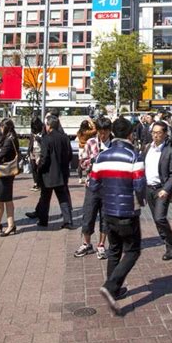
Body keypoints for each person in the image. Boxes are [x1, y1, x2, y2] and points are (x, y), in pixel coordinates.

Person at [89, 116, 146, 313]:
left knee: (114, 249)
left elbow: (93, 184)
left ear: (113, 133)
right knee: (133, 250)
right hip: (127, 211)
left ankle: (114, 290)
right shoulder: (134, 156)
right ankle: (111, 286)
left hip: (108, 211)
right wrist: (143, 200)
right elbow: (139, 185)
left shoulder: (101, 156)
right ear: (130, 134)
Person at [74, 116, 113, 259]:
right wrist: (92, 160)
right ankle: (86, 243)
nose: (102, 136)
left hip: (109, 187)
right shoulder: (91, 143)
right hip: (92, 185)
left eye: (105, 132)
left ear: (109, 131)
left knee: (105, 216)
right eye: (100, 132)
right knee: (88, 214)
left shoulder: (115, 145)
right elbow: (82, 163)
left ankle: (101, 245)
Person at [143, 120, 172, 260]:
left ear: (165, 134)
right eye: (153, 132)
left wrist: (166, 189)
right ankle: (168, 243)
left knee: (160, 218)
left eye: (159, 133)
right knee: (156, 219)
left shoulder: (170, 151)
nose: (155, 136)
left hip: (161, 190)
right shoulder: (147, 148)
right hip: (148, 189)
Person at [36, 115, 73, 228]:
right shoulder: (65, 138)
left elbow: (44, 157)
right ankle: (68, 221)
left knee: (45, 198)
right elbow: (70, 155)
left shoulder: (46, 139)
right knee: (63, 198)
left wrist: (39, 167)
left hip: (48, 174)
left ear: (49, 126)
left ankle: (43, 220)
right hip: (62, 173)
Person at [76, 118, 97, 184]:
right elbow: (95, 130)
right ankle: (87, 177)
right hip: (87, 148)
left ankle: (80, 178)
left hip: (80, 148)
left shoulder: (79, 132)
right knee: (88, 163)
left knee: (80, 163)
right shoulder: (87, 132)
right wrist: (91, 122)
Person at [27, 117, 43, 191]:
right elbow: (30, 142)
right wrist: (28, 151)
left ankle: (40, 183)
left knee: (39, 168)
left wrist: (38, 139)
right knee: (33, 168)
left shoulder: (43, 130)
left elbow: (45, 141)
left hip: (39, 151)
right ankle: (35, 183)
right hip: (32, 151)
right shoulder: (32, 131)